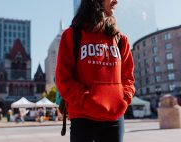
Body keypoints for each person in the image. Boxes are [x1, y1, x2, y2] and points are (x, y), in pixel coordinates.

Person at [55, 0, 135, 142]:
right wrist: (86, 100)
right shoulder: (72, 35)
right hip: (83, 118)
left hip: (115, 118)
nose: (116, 1)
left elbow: (128, 78)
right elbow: (63, 78)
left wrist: (123, 99)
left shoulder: (121, 40)